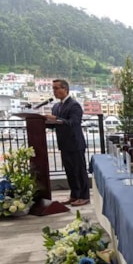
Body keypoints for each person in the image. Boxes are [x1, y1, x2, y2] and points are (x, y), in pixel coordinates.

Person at [45, 79, 89, 207]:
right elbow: (54, 125)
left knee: (79, 171)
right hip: (64, 144)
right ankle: (74, 195)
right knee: (70, 172)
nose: (54, 91)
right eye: (53, 89)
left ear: (65, 89)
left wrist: (56, 119)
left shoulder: (74, 105)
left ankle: (84, 196)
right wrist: (43, 122)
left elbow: (73, 123)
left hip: (75, 144)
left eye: (57, 88)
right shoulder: (56, 106)